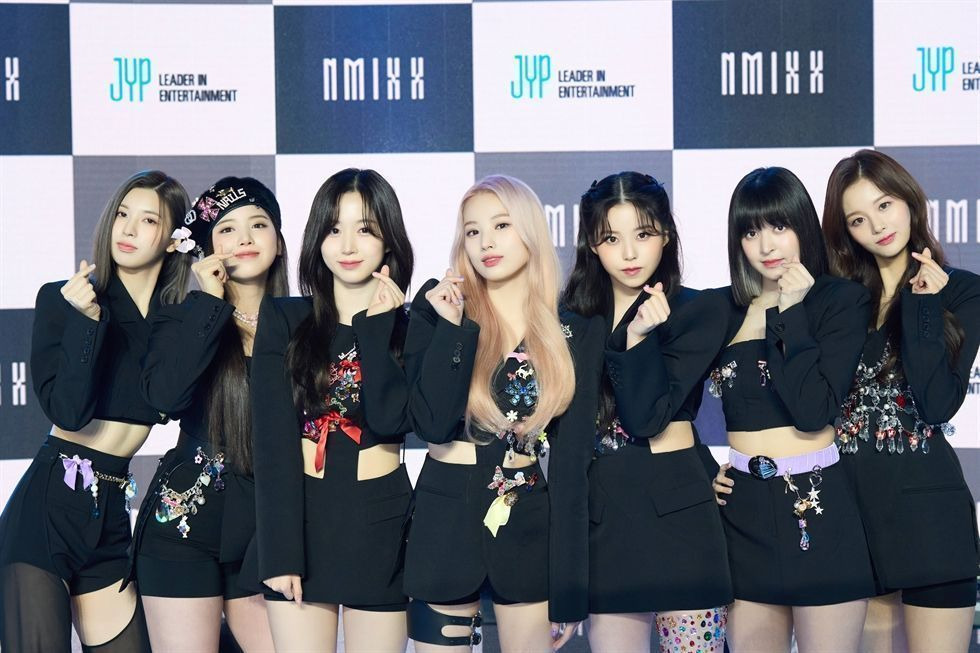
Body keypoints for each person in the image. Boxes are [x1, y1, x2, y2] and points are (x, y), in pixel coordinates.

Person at [403, 175, 602, 651]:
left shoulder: (573, 331)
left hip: (530, 533)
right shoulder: (437, 309)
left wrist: (570, 588)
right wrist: (453, 328)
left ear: (530, 230)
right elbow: (430, 423)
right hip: (444, 527)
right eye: (472, 231)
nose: (485, 242)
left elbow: (572, 468)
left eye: (501, 225)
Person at [0, 170, 191, 652]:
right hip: (47, 507)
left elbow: (171, 402)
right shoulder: (64, 298)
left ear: (173, 239)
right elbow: (68, 411)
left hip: (111, 515)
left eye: (149, 220)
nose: (128, 229)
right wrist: (87, 323)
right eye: (122, 214)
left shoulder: (175, 322)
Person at [561, 172, 733, 653]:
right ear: (592, 245)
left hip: (683, 525)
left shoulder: (699, 311)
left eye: (643, 234)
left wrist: (637, 338)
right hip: (606, 525)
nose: (629, 253)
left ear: (667, 235)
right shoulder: (570, 322)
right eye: (611, 239)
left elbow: (647, 417)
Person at [248, 169, 415, 652]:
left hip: (381, 526)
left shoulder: (412, 327)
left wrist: (378, 329)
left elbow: (391, 421)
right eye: (334, 228)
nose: (347, 245)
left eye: (365, 229)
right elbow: (272, 445)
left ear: (389, 240)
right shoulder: (284, 319)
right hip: (300, 528)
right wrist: (280, 552)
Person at [710, 167, 875, 652]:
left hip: (819, 512)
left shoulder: (841, 301)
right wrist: (702, 471)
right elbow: (665, 409)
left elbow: (812, 410)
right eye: (750, 231)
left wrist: (791, 310)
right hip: (743, 516)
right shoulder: (722, 310)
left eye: (779, 226)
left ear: (803, 225)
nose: (766, 245)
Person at [822, 149, 979, 653]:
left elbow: (937, 403)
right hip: (853, 518)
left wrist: (924, 306)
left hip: (931, 517)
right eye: (858, 219)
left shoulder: (962, 292)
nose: (877, 226)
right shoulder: (839, 301)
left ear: (909, 200)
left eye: (884, 205)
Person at [133, 177, 286, 652]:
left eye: (258, 224)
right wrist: (209, 302)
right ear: (207, 248)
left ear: (279, 241)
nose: (245, 238)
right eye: (227, 229)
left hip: (269, 532)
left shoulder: (306, 323)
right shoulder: (182, 316)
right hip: (183, 527)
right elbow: (165, 398)